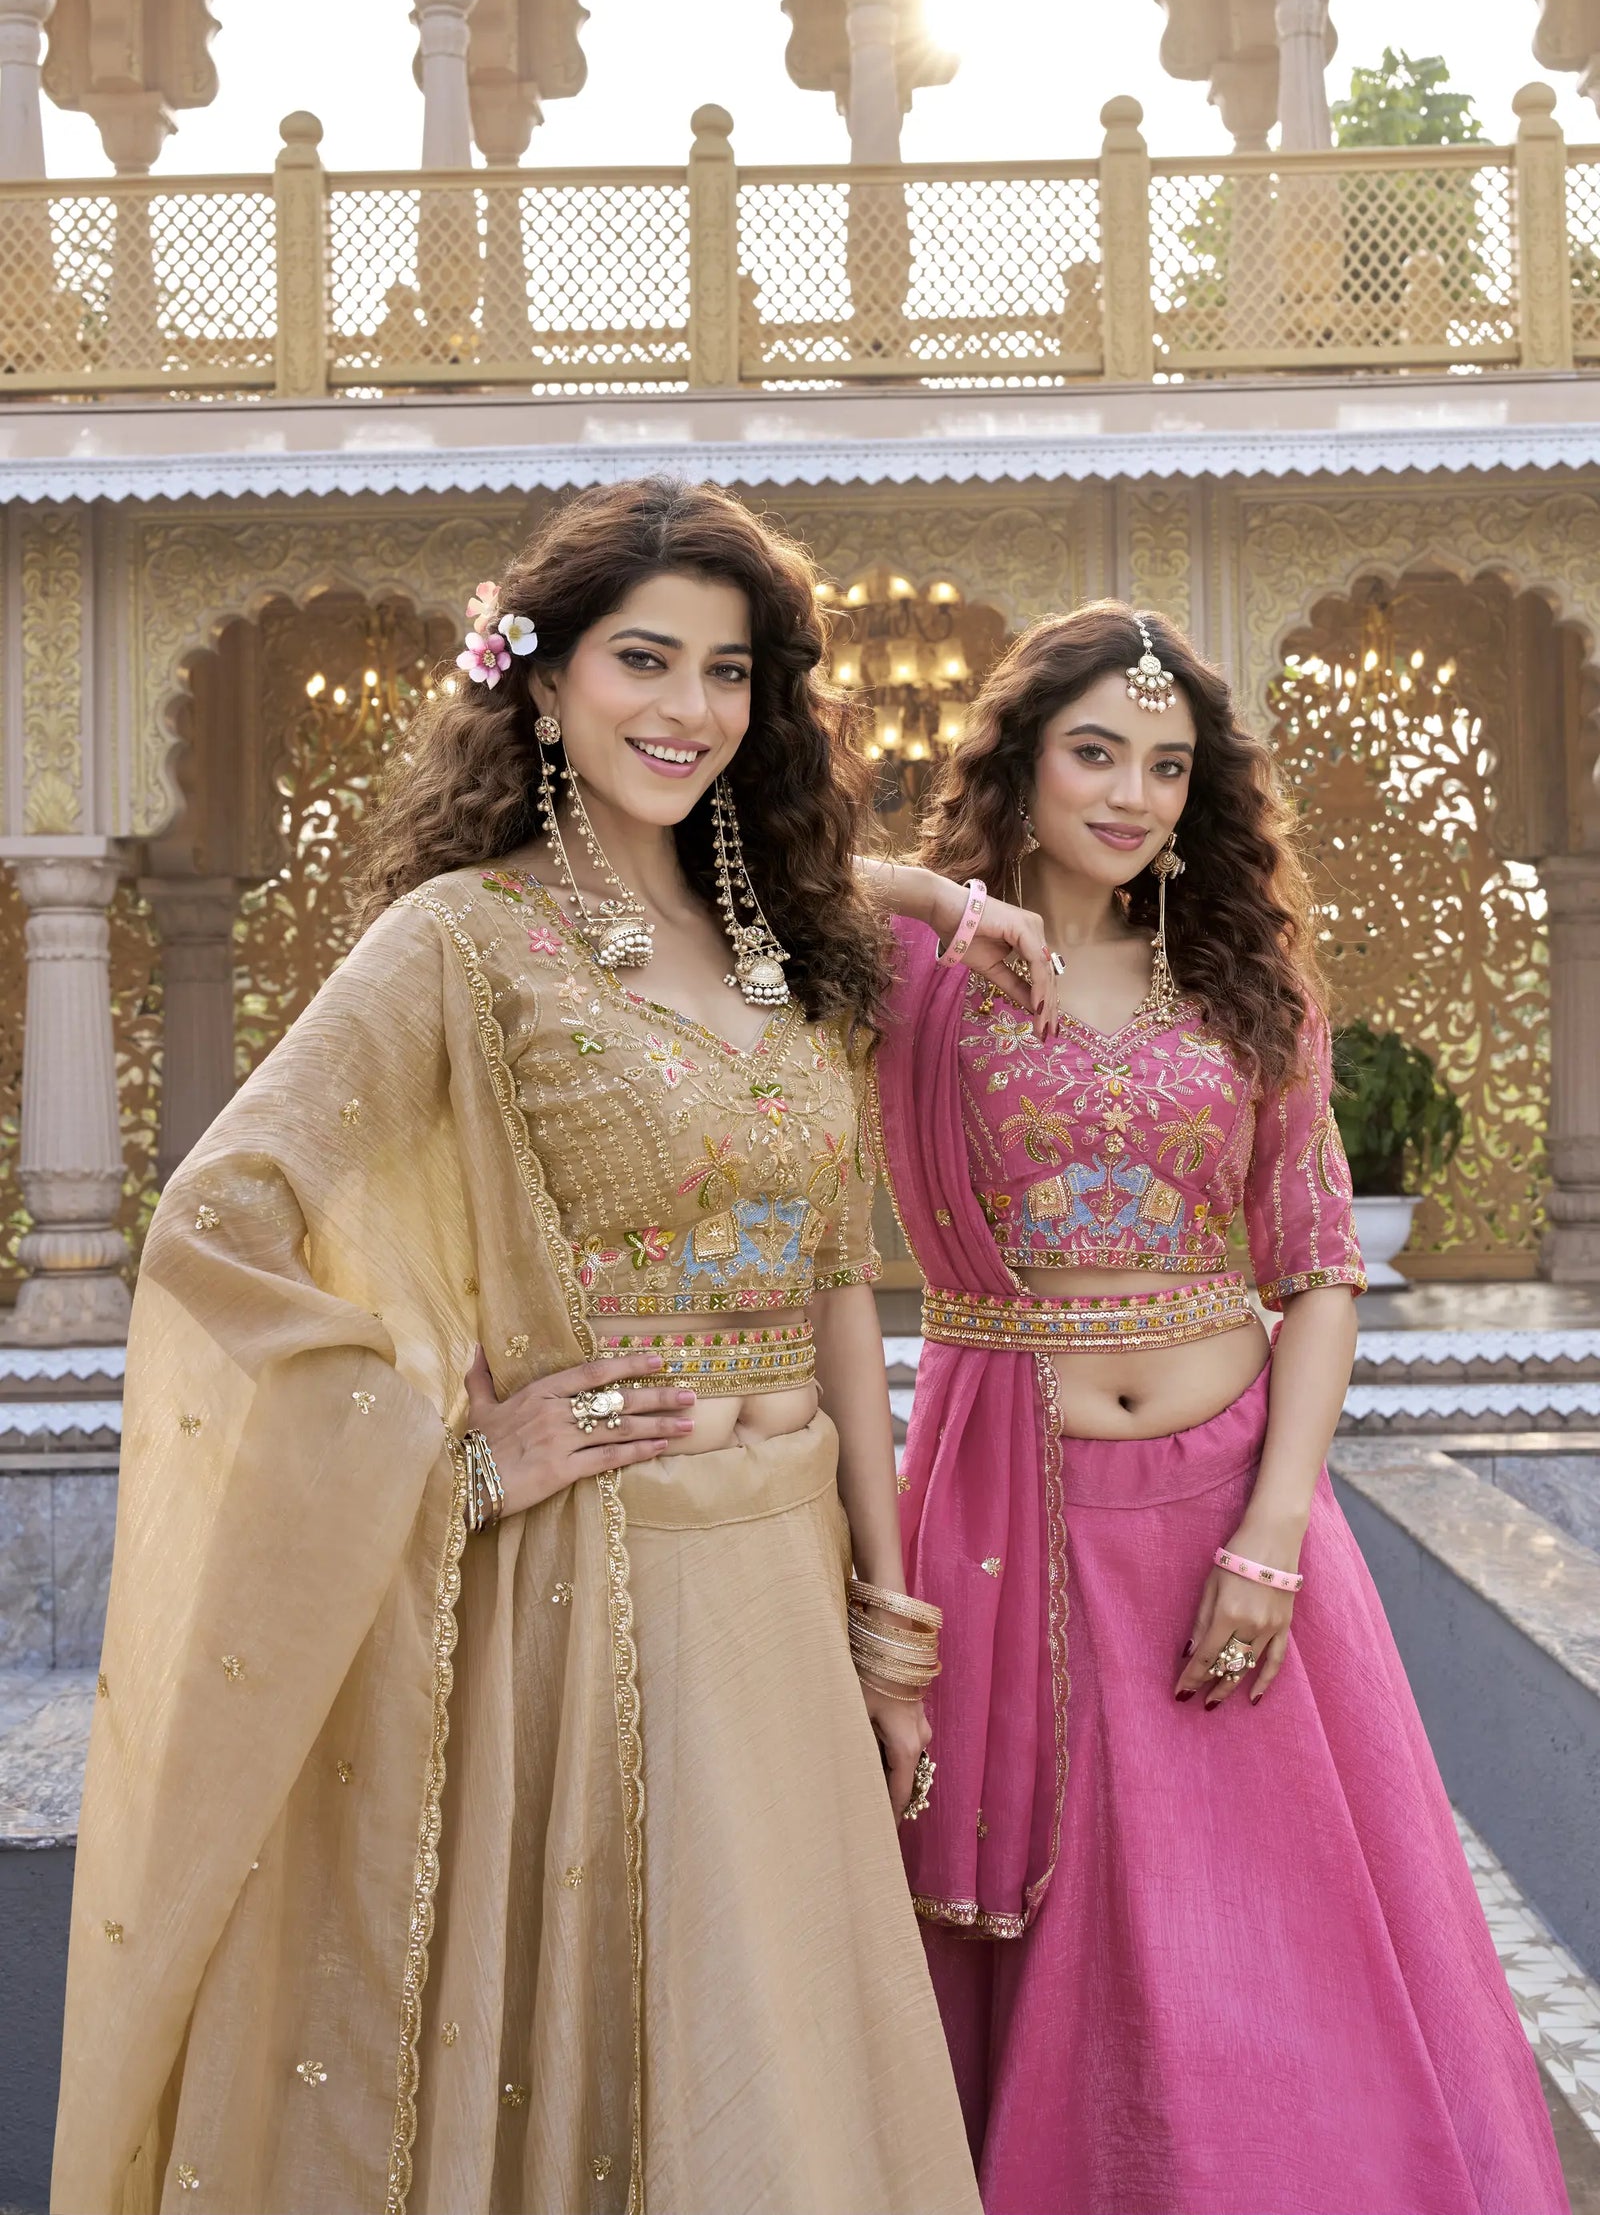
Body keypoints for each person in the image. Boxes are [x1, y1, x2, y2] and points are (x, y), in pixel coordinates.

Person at [53, 480, 981, 2215]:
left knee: (792, 2082)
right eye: (644, 660)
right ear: (541, 681)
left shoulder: (781, 944)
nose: (688, 710)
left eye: (728, 672)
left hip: (788, 1577)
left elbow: (841, 1278)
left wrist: (890, 1617)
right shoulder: (460, 940)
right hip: (605, 1589)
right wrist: (454, 1457)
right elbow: (217, 1221)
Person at [868, 603, 1568, 2215]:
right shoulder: (924, 974)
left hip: (1229, 1508)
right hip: (1009, 1510)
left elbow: (1319, 1267)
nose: (1132, 797)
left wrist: (1270, 1542)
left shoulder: (1249, 987)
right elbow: (721, 885)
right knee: (1073, 1934)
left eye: (1169, 768)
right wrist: (935, 896)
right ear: (1020, 761)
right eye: (1096, 753)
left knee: (1271, 1936)